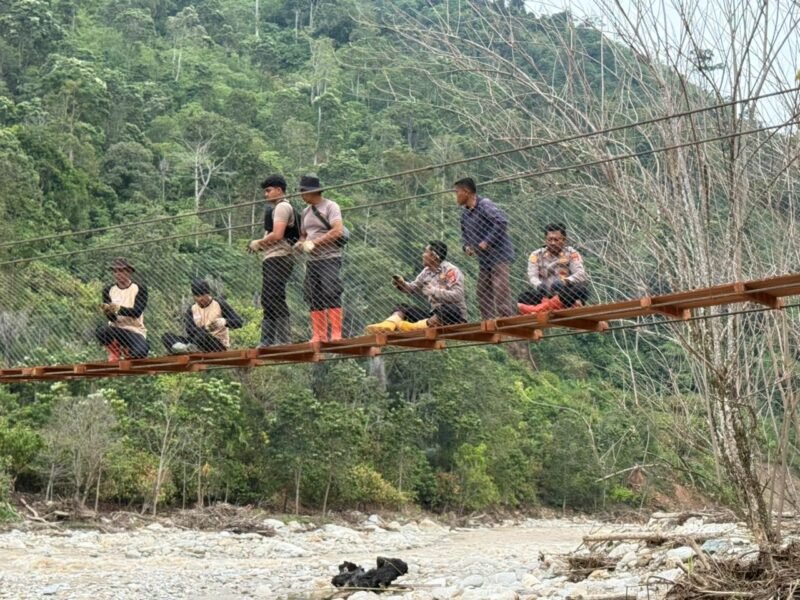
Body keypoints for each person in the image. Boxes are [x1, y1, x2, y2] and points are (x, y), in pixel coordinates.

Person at [366, 241, 468, 333]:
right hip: (433, 318)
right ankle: (388, 325)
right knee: (402, 307)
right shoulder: (426, 272)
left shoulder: (451, 270)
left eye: (425, 252)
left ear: (434, 256)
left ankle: (416, 327)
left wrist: (433, 291)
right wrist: (402, 284)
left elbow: (458, 295)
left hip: (454, 317)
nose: (423, 255)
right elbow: (412, 288)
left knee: (449, 309)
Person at [247, 174, 299, 347]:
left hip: (280, 257)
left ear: (279, 189)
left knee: (275, 296)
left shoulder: (283, 207)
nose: (266, 195)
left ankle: (284, 340)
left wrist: (258, 242)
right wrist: (259, 245)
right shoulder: (275, 210)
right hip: (272, 257)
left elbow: (277, 235)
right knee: (268, 298)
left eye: (268, 191)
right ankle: (267, 339)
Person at [455, 177, 515, 320]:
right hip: (484, 259)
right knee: (482, 291)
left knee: (500, 288)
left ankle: (505, 319)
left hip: (499, 254)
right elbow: (465, 236)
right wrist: (466, 247)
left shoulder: (484, 205)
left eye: (457, 192)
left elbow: (501, 222)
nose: (456, 196)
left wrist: (487, 241)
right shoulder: (465, 214)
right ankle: (488, 321)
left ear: (467, 192)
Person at [294, 175, 345, 342]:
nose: (301, 195)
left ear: (312, 192)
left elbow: (337, 230)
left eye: (303, 191)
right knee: (313, 295)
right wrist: (301, 244)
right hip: (312, 261)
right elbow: (303, 235)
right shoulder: (305, 212)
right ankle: (319, 334)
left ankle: (336, 332)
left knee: (331, 291)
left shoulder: (331, 206)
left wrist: (315, 243)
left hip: (330, 257)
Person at [518, 223, 589, 313]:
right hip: (544, 295)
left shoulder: (571, 253)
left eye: (556, 240)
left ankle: (539, 309)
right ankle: (553, 305)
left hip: (564, 293)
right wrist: (538, 285)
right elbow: (532, 276)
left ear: (564, 239)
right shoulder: (536, 255)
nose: (552, 243)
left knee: (581, 290)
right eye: (549, 239)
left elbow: (581, 274)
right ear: (545, 240)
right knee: (523, 297)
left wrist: (565, 281)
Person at [162, 279, 244, 354]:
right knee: (167, 337)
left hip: (216, 344)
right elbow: (189, 330)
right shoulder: (192, 309)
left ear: (208, 293)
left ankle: (180, 350)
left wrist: (224, 322)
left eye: (202, 295)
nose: (200, 299)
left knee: (203, 335)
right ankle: (185, 349)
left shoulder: (220, 304)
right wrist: (206, 328)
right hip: (195, 342)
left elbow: (239, 322)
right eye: (197, 296)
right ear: (194, 296)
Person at [95, 257, 149, 361]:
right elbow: (112, 319)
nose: (118, 274)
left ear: (128, 272)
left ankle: (127, 351)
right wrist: (108, 312)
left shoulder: (139, 288)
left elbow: (136, 312)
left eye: (121, 270)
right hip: (116, 329)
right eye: (115, 271)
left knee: (141, 353)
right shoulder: (108, 290)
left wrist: (117, 308)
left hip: (135, 330)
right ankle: (115, 352)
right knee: (101, 331)